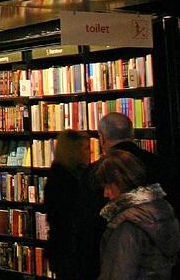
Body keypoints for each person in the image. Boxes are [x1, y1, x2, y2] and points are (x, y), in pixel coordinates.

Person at [76, 112, 179, 278]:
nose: (106, 193)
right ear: (132, 134)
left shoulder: (96, 172)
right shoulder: (162, 166)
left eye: (108, 187)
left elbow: (87, 228)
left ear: (101, 138)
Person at [96, 149, 180, 279]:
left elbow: (118, 274)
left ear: (120, 182)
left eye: (108, 186)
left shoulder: (129, 223)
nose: (105, 194)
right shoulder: (162, 210)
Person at [42, 130, 90, 280]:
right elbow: (67, 218)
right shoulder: (64, 180)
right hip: (69, 250)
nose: (89, 152)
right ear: (73, 151)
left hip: (64, 248)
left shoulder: (61, 176)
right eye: (85, 148)